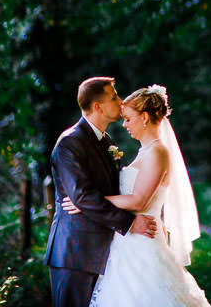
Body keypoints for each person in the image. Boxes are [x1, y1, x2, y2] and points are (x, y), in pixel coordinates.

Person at [62, 84, 211, 307]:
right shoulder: (145, 151)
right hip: (127, 242)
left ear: (144, 117)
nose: (124, 124)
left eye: (129, 119)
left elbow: (138, 200)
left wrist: (86, 203)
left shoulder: (158, 152)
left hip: (143, 244)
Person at [45, 77, 159, 307]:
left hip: (106, 252)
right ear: (97, 106)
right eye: (114, 97)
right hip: (75, 253)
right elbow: (83, 197)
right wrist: (129, 223)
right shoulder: (70, 143)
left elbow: (108, 192)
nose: (120, 101)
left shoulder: (107, 141)